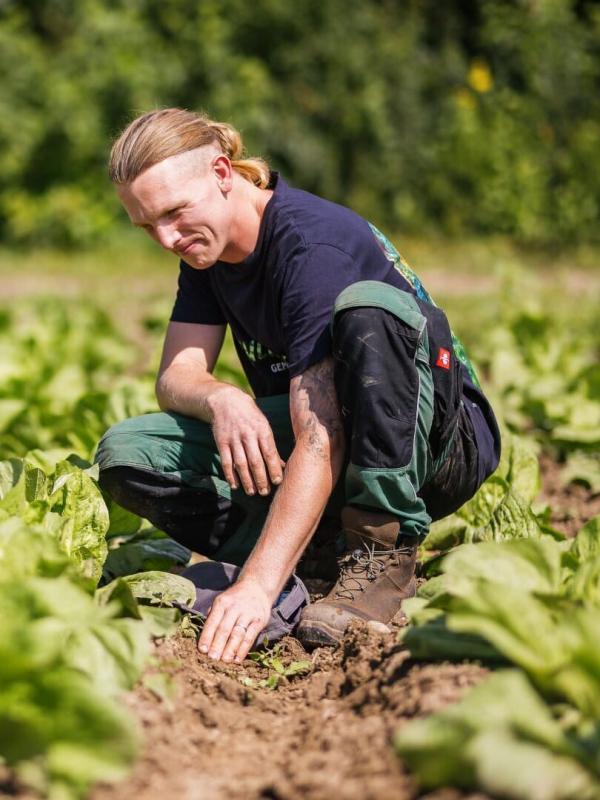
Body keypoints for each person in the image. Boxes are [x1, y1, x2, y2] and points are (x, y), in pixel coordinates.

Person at [96, 108, 501, 664]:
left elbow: (321, 434)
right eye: (147, 226)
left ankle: (380, 550)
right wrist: (223, 398)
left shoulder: (311, 246)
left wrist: (257, 586)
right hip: (331, 435)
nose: (165, 237)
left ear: (221, 172)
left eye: (173, 213)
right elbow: (176, 375)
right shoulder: (204, 247)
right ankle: (312, 554)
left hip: (438, 443)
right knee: (130, 453)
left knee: (368, 312)